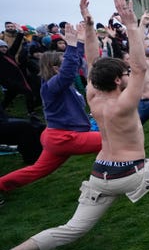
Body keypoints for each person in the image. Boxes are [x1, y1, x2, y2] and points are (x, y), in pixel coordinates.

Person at [0, 0, 149, 250]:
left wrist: (88, 30)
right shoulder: (124, 103)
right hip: (131, 174)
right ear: (119, 80)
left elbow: (93, 63)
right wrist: (132, 26)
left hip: (99, 177)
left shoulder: (94, 95)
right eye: (125, 75)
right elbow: (139, 66)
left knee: (71, 230)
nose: (129, 75)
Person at [0, 23, 102, 196]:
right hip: (65, 138)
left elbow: (73, 63)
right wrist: (70, 46)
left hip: (57, 137)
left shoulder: (60, 85)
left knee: (36, 171)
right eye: (63, 64)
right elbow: (69, 70)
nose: (71, 66)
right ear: (55, 68)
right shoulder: (51, 86)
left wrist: (78, 42)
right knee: (115, 139)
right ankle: (118, 175)